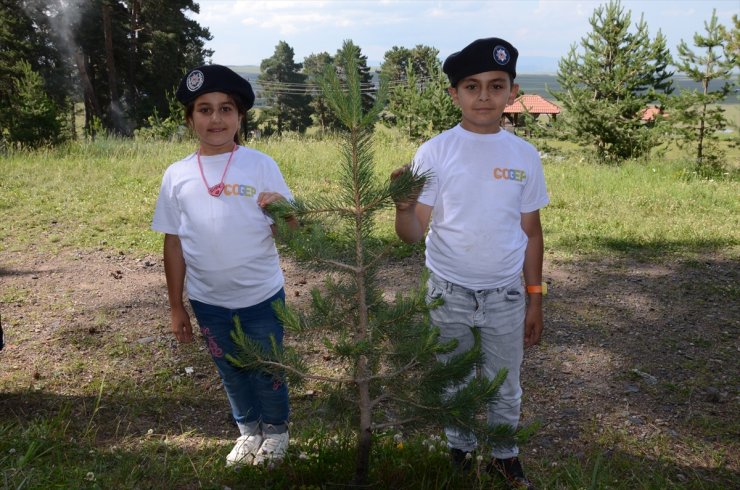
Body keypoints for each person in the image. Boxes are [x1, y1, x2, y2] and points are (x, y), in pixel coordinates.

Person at [391, 38, 548, 489]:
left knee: (505, 381)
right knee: (452, 377)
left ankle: (504, 454)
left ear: (512, 91)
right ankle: (459, 447)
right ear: (454, 94)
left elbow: (531, 232)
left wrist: (535, 297)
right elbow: (413, 233)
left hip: (506, 294)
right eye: (472, 86)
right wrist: (403, 208)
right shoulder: (435, 152)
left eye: (496, 86)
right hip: (448, 291)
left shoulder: (524, 156)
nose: (484, 96)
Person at [152, 64, 296, 468]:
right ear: (190, 118)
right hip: (208, 301)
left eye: (226, 109)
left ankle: (277, 433)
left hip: (261, 296)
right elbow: (173, 241)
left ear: (240, 116)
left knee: (268, 368)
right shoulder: (176, 175)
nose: (216, 119)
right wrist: (177, 305)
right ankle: (249, 432)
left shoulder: (260, 164)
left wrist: (285, 213)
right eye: (204, 109)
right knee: (230, 370)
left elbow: (291, 230)